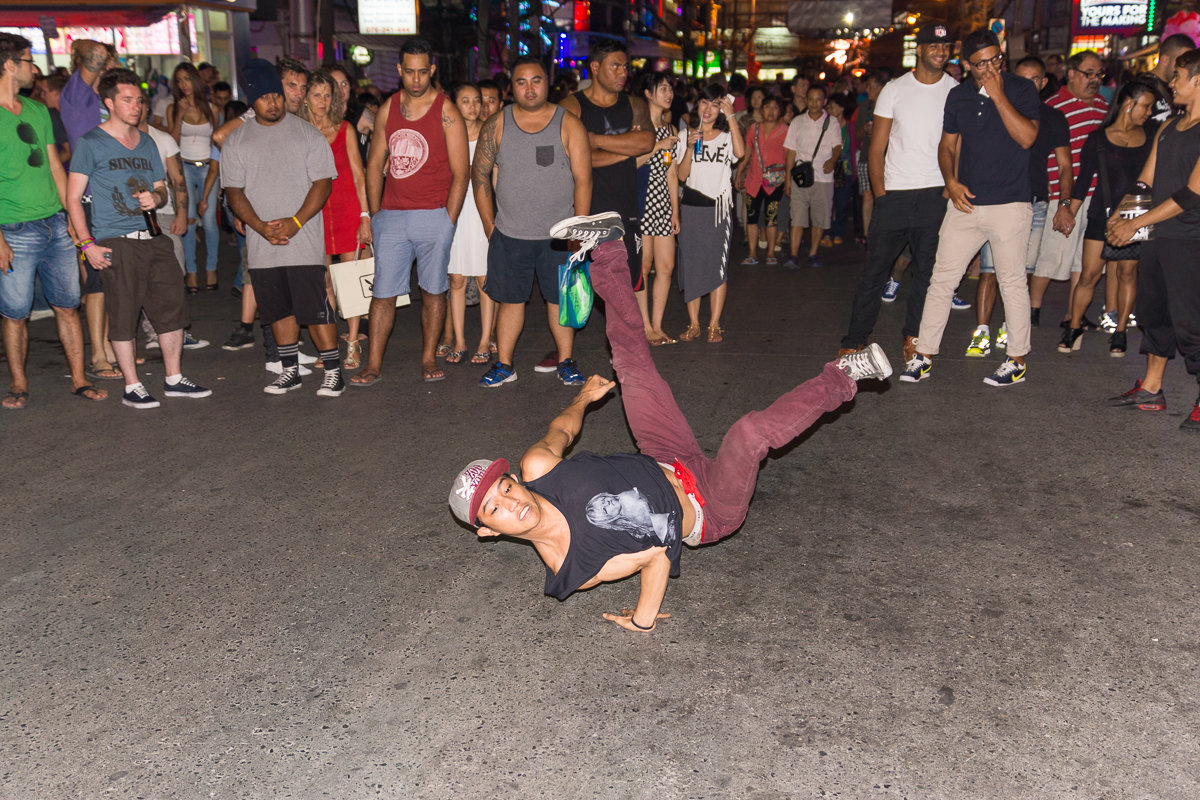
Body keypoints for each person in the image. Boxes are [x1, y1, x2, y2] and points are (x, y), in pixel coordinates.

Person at [448, 211, 893, 633]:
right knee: (748, 434)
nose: (510, 502)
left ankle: (608, 249)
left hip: (665, 456)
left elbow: (561, 431)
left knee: (633, 367)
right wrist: (643, 620)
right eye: (494, 509)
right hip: (709, 509)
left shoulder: (539, 470)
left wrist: (583, 399)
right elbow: (656, 556)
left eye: (504, 488)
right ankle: (845, 376)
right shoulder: (572, 566)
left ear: (514, 480)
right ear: (488, 531)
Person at [901, 28, 1041, 388]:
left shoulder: (1021, 89)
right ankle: (924, 355)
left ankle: (1017, 360)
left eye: (996, 59)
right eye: (981, 64)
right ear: (966, 65)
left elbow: (1027, 137)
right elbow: (947, 146)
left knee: (1011, 282)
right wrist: (950, 181)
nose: (991, 67)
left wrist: (997, 95)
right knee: (941, 279)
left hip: (1011, 203)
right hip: (966, 204)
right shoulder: (958, 96)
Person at [65, 68, 211, 409]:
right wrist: (87, 245)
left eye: (139, 100)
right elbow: (73, 198)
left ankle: (174, 378)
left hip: (154, 236)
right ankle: (132, 386)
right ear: (109, 103)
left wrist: (157, 200)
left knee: (172, 309)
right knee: (124, 313)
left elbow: (162, 190)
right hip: (116, 239)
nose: (136, 106)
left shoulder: (147, 142)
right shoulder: (90, 143)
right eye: (128, 100)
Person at [221, 59, 344, 398]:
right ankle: (290, 370)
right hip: (263, 243)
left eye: (277, 94)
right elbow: (234, 191)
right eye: (265, 97)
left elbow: (323, 183)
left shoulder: (306, 133)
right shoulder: (237, 141)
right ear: (252, 99)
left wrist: (295, 221)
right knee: (278, 308)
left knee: (315, 308)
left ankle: (334, 371)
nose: (273, 102)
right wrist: (259, 227)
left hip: (302, 239)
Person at [838, 22, 957, 365]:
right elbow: (877, 148)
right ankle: (854, 342)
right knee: (874, 272)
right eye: (934, 46)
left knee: (926, 274)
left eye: (946, 46)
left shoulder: (955, 90)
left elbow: (959, 145)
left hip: (936, 194)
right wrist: (881, 194)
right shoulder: (894, 89)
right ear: (919, 49)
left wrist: (950, 187)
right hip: (895, 194)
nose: (940, 51)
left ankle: (914, 339)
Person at [470, 57, 592, 388]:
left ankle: (566, 361)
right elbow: (479, 173)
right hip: (510, 232)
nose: (529, 88)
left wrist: (579, 231)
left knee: (560, 300)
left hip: (560, 234)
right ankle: (504, 365)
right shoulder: (496, 124)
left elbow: (583, 179)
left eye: (536, 80)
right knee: (510, 302)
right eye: (522, 82)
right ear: (512, 86)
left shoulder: (569, 123)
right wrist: (488, 225)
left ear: (547, 82)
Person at [0, 33, 106, 409]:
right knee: (15, 314)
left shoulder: (38, 110)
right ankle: (18, 384)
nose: (35, 68)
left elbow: (56, 169)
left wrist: (74, 223)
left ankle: (79, 379)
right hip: (13, 229)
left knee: (67, 305)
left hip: (55, 224)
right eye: (29, 60)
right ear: (10, 65)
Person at [356, 37, 469, 386]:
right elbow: (374, 164)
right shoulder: (389, 107)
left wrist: (448, 220)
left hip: (433, 216)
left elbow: (461, 171)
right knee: (382, 295)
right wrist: (375, 214)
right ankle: (373, 363)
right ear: (399, 70)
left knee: (433, 292)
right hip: (391, 215)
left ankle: (427, 356)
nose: (416, 80)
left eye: (423, 72)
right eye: (410, 72)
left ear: (431, 70)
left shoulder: (446, 110)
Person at [1106, 47, 1200, 431]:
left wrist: (1136, 223)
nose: (1171, 83)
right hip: (1158, 237)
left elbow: (1192, 194)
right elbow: (1146, 180)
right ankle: (1152, 388)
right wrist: (1123, 214)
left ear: (1198, 80)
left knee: (1191, 324)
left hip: (1190, 240)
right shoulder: (1169, 127)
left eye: (1178, 76)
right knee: (1153, 313)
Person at [966, 56, 1073, 359]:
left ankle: (1007, 327)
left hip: (1035, 204)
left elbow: (1066, 166)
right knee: (989, 270)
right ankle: (981, 332)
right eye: (1021, 79)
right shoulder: (995, 109)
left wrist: (1064, 205)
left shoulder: (1053, 118)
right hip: (996, 200)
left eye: (1033, 80)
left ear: (1042, 83)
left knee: (1020, 274)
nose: (1026, 85)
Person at [560, 40, 654, 332]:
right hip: (588, 208)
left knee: (624, 280)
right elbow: (571, 158)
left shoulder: (634, 104)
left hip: (626, 207)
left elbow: (646, 142)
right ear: (596, 67)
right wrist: (625, 149)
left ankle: (623, 347)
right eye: (615, 65)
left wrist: (595, 141)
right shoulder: (572, 104)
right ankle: (565, 355)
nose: (623, 72)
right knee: (579, 286)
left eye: (625, 66)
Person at [1059, 80, 1158, 356]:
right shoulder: (1098, 138)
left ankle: (1121, 331)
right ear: (1129, 104)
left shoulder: (1151, 135)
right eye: (1146, 106)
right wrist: (1068, 210)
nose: (1149, 112)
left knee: (1128, 273)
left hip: (1135, 217)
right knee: (1089, 275)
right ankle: (1074, 327)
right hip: (1101, 216)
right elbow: (1082, 182)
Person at [1029, 50, 1109, 327]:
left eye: (1099, 74)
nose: (1095, 79)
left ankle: (1073, 313)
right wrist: (1060, 199)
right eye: (1089, 73)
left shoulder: (1103, 107)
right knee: (1052, 253)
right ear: (1072, 74)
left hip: (1096, 193)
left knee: (1083, 259)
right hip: (1062, 193)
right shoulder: (1055, 106)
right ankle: (1033, 308)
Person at [301, 69, 372, 370]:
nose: (322, 100)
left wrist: (365, 216)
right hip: (314, 215)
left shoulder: (345, 129)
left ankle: (353, 343)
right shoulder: (299, 132)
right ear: (306, 98)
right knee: (324, 281)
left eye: (327, 95)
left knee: (351, 281)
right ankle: (329, 346)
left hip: (347, 211)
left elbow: (359, 175)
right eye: (316, 94)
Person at [675, 85, 744, 343]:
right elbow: (682, 176)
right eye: (704, 102)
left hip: (719, 209)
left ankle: (714, 325)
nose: (708, 109)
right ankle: (694, 324)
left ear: (721, 109)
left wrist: (733, 117)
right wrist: (691, 148)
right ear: (697, 105)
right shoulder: (686, 135)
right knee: (691, 265)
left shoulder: (727, 136)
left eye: (715, 105)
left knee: (718, 268)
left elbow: (740, 153)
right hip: (692, 207)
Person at [441, 82, 495, 367]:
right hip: (456, 211)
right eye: (466, 101)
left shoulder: (490, 133)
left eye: (477, 101)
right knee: (457, 279)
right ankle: (460, 340)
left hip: (482, 210)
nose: (474, 106)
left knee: (485, 279)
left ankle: (486, 339)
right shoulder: (449, 134)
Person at [633, 71, 681, 345]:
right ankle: (645, 327)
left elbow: (671, 173)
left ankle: (658, 326)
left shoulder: (670, 130)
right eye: (662, 88)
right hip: (641, 203)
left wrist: (675, 211)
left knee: (666, 267)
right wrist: (656, 147)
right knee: (644, 267)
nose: (669, 93)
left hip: (663, 204)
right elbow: (631, 164)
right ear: (648, 94)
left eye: (670, 89)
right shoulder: (638, 129)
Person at [167, 63, 222, 291]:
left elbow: (215, 143)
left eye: (187, 79)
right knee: (188, 221)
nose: (184, 85)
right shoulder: (173, 108)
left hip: (208, 167)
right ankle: (191, 272)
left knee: (209, 221)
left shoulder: (212, 109)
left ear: (195, 81)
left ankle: (211, 269)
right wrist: (179, 114)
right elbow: (171, 140)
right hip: (185, 168)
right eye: (179, 81)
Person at [783, 84, 840, 268]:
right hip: (800, 177)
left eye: (818, 99)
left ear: (824, 101)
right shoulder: (797, 122)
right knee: (797, 217)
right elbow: (790, 152)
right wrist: (787, 179)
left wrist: (833, 160)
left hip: (823, 178)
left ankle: (813, 253)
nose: (814, 103)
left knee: (819, 218)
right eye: (811, 99)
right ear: (806, 100)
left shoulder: (832, 122)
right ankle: (793, 255)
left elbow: (837, 146)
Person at [737, 94, 787, 266]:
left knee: (771, 218)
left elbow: (790, 156)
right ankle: (752, 253)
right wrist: (739, 173)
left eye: (775, 107)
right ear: (761, 109)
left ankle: (771, 252)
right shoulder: (754, 129)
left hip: (775, 182)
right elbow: (747, 151)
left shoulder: (785, 130)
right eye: (767, 107)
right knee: (751, 219)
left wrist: (787, 181)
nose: (771, 111)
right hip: (754, 181)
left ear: (780, 111)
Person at [1144, 33, 1195, 123]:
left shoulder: (1184, 88)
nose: (1186, 67)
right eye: (1181, 61)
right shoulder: (1142, 87)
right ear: (1165, 60)